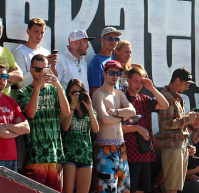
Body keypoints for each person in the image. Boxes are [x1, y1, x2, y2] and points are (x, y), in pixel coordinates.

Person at [17, 54, 70, 191]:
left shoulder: (55, 89)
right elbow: (30, 113)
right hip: (35, 155)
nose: (41, 73)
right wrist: (37, 88)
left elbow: (66, 112)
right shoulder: (23, 92)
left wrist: (59, 87)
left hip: (55, 155)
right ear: (31, 69)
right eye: (37, 70)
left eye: (44, 69)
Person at [92, 60, 137, 193]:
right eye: (111, 72)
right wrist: (123, 117)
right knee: (107, 187)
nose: (115, 76)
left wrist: (115, 112)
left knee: (123, 186)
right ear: (104, 73)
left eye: (118, 73)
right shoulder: (99, 94)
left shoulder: (119, 94)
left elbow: (133, 111)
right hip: (105, 146)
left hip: (121, 146)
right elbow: (104, 119)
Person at [123, 65, 169, 193]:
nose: (138, 85)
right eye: (135, 81)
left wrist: (152, 88)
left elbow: (165, 105)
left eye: (141, 82)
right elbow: (118, 127)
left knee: (145, 189)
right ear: (128, 80)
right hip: (129, 152)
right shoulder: (122, 98)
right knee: (130, 189)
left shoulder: (144, 99)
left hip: (145, 152)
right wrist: (137, 128)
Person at [159, 67, 199, 193]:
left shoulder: (174, 97)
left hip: (179, 146)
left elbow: (175, 123)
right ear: (177, 80)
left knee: (175, 187)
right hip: (173, 147)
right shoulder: (167, 97)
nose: (187, 87)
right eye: (185, 84)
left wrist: (186, 118)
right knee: (171, 188)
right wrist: (187, 119)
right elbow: (166, 124)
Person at [0, 63, 29, 171]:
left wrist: (5, 126)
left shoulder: (11, 101)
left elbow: (26, 128)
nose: (2, 79)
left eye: (5, 76)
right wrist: (17, 132)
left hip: (12, 157)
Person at [61, 79, 99, 193]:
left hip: (85, 155)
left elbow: (96, 129)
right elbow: (65, 127)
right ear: (68, 93)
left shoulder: (88, 111)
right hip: (69, 155)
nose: (77, 95)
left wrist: (89, 108)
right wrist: (72, 106)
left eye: (80, 92)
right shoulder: (65, 108)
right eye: (74, 93)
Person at [13, 17, 56, 89]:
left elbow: (51, 82)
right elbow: (21, 84)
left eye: (42, 32)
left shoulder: (46, 52)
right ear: (28, 31)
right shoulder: (19, 52)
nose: (39, 35)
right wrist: (39, 68)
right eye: (36, 31)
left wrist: (53, 67)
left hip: (45, 94)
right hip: (29, 94)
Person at [88, 27, 121, 96]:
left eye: (116, 39)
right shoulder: (97, 61)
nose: (113, 42)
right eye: (110, 39)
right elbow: (94, 90)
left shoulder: (113, 57)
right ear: (102, 39)